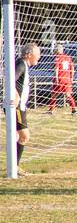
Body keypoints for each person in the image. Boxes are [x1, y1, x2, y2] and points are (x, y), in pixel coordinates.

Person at [8, 44, 40, 175]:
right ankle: (14, 168)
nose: (39, 57)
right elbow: (10, 80)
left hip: (20, 107)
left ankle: (13, 166)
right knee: (24, 136)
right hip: (17, 107)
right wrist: (15, 95)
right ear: (29, 55)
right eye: (37, 54)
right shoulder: (21, 64)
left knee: (15, 136)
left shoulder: (23, 65)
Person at [46, 44, 77, 115]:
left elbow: (56, 68)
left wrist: (56, 78)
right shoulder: (68, 57)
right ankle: (74, 110)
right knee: (68, 95)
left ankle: (51, 110)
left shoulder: (57, 58)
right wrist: (72, 78)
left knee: (54, 95)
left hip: (60, 79)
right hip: (67, 79)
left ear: (57, 50)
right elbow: (72, 68)